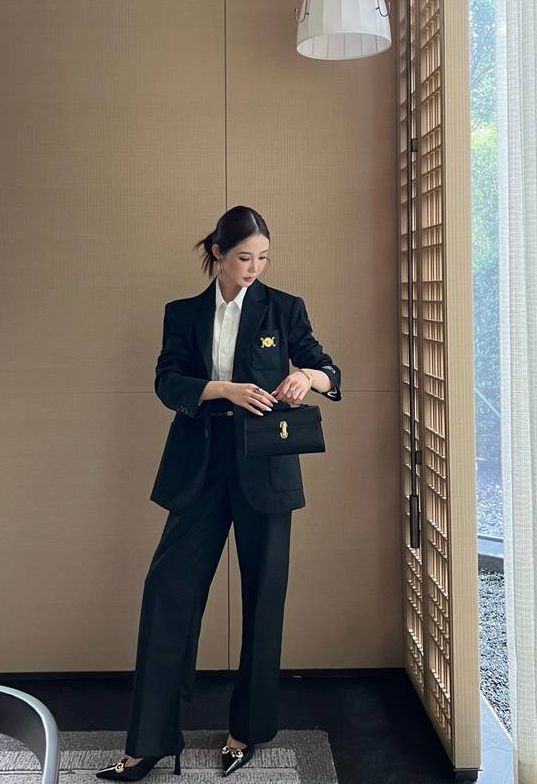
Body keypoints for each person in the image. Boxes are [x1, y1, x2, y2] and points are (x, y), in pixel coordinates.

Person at [96, 205, 341, 780]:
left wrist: (305, 377)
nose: (254, 267)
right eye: (244, 257)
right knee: (167, 595)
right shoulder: (182, 313)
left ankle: (245, 732)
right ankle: (149, 743)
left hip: (266, 470)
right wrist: (224, 389)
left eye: (263, 258)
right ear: (217, 254)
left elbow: (330, 371)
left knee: (264, 601)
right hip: (200, 468)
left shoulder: (284, 308)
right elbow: (167, 382)